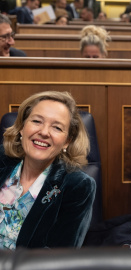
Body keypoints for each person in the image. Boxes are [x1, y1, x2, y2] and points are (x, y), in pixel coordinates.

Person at [0, 91, 96, 249]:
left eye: (57, 128)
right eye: (37, 121)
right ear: (22, 128)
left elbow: (58, 259)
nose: (44, 132)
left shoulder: (77, 186)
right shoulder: (2, 158)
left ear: (67, 141)